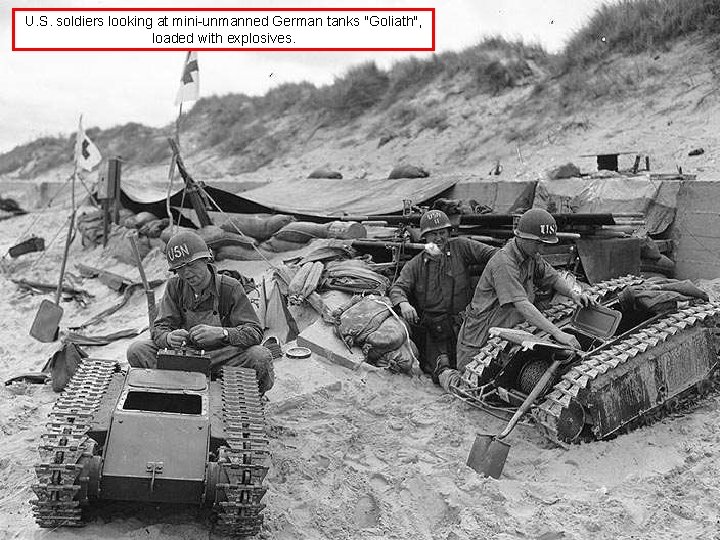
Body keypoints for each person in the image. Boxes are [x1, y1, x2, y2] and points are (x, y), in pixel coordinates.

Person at [437, 208, 596, 391]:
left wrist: (574, 293)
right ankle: (443, 371)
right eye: (539, 243)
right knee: (468, 389)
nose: (542, 248)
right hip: (479, 337)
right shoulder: (504, 262)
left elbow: (552, 277)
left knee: (503, 384)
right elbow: (521, 304)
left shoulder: (531, 256)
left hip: (506, 330)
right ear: (523, 237)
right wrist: (557, 333)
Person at [126, 230, 274, 394]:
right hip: (184, 357)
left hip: (221, 357)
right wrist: (169, 338)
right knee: (137, 350)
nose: (186, 273)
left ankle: (249, 396)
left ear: (206, 260)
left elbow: (254, 332)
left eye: (190, 265)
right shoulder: (175, 286)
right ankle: (172, 390)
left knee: (260, 356)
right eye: (180, 268)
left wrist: (222, 333)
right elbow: (159, 329)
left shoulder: (229, 288)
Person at [389, 209, 497, 381]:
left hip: (466, 325)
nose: (439, 238)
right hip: (435, 329)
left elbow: (494, 254)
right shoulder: (415, 265)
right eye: (433, 234)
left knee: (478, 366)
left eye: (442, 233)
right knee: (441, 368)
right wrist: (404, 303)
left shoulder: (461, 247)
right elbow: (397, 288)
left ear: (449, 232)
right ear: (425, 236)